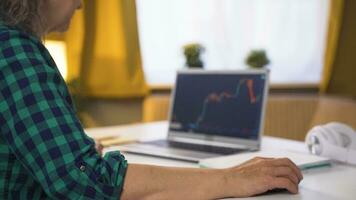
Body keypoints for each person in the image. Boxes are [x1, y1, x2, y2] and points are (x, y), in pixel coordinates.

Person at [0, 0, 303, 199]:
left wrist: (68, 151)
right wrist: (230, 180)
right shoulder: (14, 52)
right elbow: (85, 182)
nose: (81, 4)